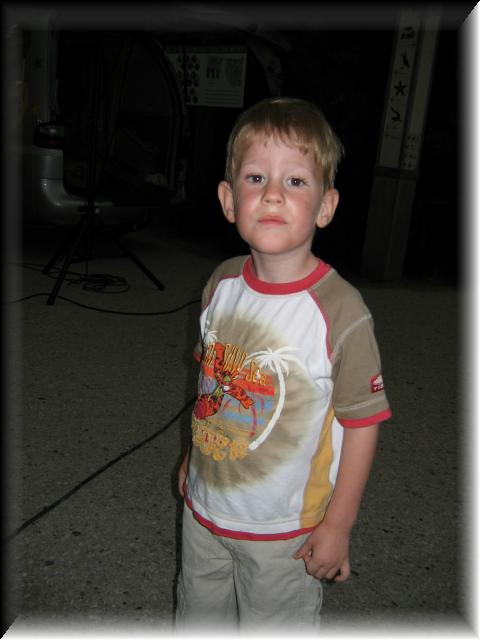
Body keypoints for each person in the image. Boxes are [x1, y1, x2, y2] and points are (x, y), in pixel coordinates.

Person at [176, 96, 392, 633]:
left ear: (326, 206)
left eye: (295, 181)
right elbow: (210, 385)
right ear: (229, 200)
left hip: (284, 532)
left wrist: (338, 525)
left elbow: (362, 424)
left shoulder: (341, 313)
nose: (272, 193)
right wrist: (192, 458)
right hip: (204, 511)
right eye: (256, 178)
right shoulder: (220, 284)